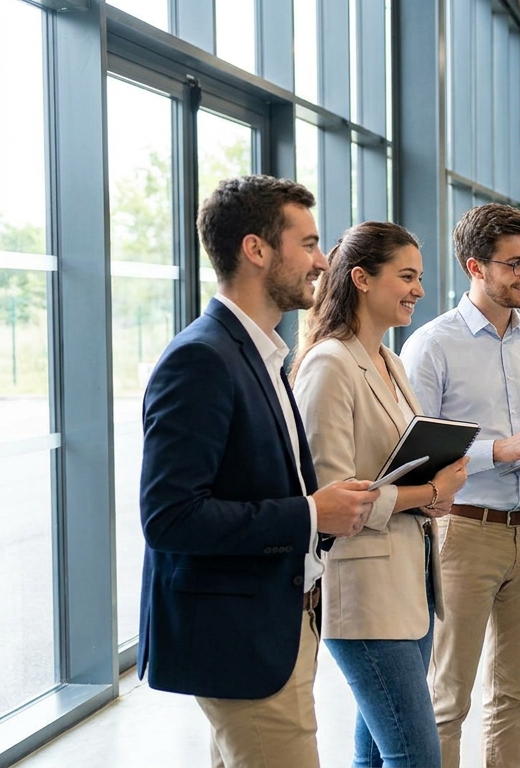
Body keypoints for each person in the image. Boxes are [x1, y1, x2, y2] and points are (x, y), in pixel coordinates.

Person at [137, 175, 378, 768]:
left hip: (269, 623)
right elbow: (170, 517)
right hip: (238, 641)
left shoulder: (260, 352)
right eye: (310, 243)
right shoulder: (202, 358)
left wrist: (315, 506)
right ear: (256, 250)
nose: (322, 262)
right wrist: (311, 513)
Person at [400, 203, 520, 768]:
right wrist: (496, 451)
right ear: (476, 267)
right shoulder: (432, 345)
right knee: (448, 698)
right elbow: (416, 455)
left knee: (513, 696)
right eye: (515, 264)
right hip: (465, 534)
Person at [292, 221, 471, 768]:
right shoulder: (330, 364)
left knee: (376, 755)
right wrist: (428, 491)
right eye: (407, 277)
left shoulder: (389, 361)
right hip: (363, 592)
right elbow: (331, 501)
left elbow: (397, 464)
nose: (418, 290)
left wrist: (436, 488)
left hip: (410, 584)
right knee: (416, 756)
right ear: (362, 279)